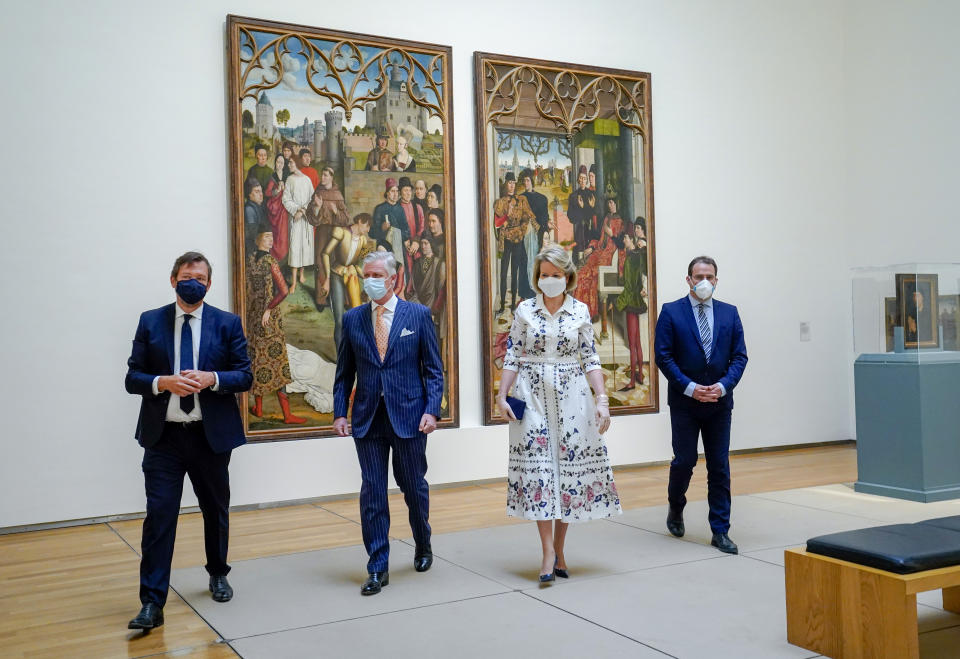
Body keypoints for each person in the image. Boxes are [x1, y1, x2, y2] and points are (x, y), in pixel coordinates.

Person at [124, 252, 252, 630]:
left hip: (209, 437)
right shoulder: (151, 321)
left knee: (215, 509)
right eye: (185, 276)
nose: (191, 281)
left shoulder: (227, 323)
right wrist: (162, 382)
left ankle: (217, 573)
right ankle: (152, 602)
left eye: (198, 277)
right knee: (160, 517)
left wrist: (213, 378)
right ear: (173, 280)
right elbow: (132, 378)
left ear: (208, 284)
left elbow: (244, 375)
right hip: (162, 439)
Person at [497, 245, 620, 583]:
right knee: (539, 471)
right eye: (543, 275)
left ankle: (561, 549)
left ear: (567, 276)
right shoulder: (525, 310)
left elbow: (590, 358)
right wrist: (501, 393)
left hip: (572, 397)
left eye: (555, 275)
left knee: (566, 470)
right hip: (532, 395)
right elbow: (513, 355)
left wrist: (602, 398)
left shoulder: (580, 311)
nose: (548, 280)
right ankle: (547, 551)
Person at [333, 251, 444, 596]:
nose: (370, 279)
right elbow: (344, 374)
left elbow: (433, 370)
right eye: (367, 274)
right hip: (367, 420)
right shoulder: (352, 319)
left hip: (410, 417)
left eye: (377, 274)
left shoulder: (418, 315)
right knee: (372, 492)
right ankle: (378, 566)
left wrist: (432, 410)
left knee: (413, 486)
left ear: (394, 279)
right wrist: (340, 412)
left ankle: (423, 542)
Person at [654, 256, 748, 555]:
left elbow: (740, 357)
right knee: (684, 461)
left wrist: (722, 387)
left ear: (716, 280)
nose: (703, 281)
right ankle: (675, 505)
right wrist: (691, 388)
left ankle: (720, 531)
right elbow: (663, 356)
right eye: (698, 276)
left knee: (719, 466)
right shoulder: (671, 312)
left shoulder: (730, 313)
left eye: (709, 276)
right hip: (685, 402)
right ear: (689, 279)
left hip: (719, 403)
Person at [246, 226, 306, 424]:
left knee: (257, 360)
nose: (270, 241)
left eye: (272, 237)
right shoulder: (270, 261)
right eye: (266, 237)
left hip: (253, 317)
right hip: (267, 318)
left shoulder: (249, 260)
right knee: (277, 363)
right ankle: (287, 415)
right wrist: (269, 309)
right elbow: (284, 291)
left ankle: (260, 408)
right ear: (257, 240)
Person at [321, 213, 377, 348]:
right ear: (359, 221)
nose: (368, 230)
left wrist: (368, 277)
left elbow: (360, 263)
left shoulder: (363, 241)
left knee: (357, 317)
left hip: (352, 276)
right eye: (367, 226)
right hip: (336, 275)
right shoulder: (341, 232)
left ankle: (356, 353)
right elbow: (325, 253)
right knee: (340, 320)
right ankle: (341, 356)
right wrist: (327, 279)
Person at [573, 197, 624, 340]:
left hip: (609, 255)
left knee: (589, 277)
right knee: (580, 274)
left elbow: (621, 243)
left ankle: (590, 314)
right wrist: (591, 246)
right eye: (609, 203)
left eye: (613, 202)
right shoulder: (606, 218)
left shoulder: (621, 221)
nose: (611, 205)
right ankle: (579, 315)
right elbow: (599, 239)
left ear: (617, 204)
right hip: (600, 252)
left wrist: (612, 234)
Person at [307, 166, 350, 309]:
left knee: (336, 262)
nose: (323, 178)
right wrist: (318, 208)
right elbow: (311, 218)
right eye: (322, 175)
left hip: (337, 232)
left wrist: (336, 211)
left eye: (326, 175)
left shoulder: (337, 195)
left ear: (331, 177)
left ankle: (340, 298)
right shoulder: (317, 193)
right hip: (322, 232)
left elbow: (346, 219)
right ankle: (321, 299)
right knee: (320, 262)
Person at [494, 172, 536, 314]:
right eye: (509, 183)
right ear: (505, 184)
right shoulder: (500, 202)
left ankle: (512, 306)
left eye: (513, 183)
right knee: (503, 272)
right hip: (505, 240)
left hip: (518, 239)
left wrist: (522, 231)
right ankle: (501, 306)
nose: (511, 186)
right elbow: (498, 222)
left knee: (515, 271)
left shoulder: (521, 200)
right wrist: (506, 217)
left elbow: (528, 217)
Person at [614, 219, 649, 390]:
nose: (624, 241)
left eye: (626, 238)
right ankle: (640, 374)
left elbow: (629, 286)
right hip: (637, 300)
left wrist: (619, 302)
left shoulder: (632, 257)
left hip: (631, 301)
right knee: (637, 342)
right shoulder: (636, 255)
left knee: (633, 342)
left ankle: (633, 382)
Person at [371, 178, 409, 297]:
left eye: (397, 191)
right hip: (384, 245)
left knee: (401, 269)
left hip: (398, 245)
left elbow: (407, 231)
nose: (395, 194)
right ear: (387, 192)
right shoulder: (380, 209)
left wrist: (396, 234)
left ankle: (398, 293)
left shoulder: (400, 209)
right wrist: (382, 229)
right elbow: (372, 233)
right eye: (392, 191)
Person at [282, 156, 315, 294]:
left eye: (291, 162)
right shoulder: (289, 179)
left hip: (305, 218)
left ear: (296, 163)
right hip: (295, 219)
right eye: (288, 162)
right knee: (295, 247)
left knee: (305, 246)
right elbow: (286, 198)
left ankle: (302, 274)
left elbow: (311, 198)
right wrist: (296, 210)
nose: (289, 164)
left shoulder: (307, 180)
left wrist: (303, 211)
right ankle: (294, 282)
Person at [567, 166, 599, 266]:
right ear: (577, 179)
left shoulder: (591, 194)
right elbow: (570, 215)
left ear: (586, 181)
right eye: (580, 178)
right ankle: (580, 261)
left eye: (584, 178)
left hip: (589, 231)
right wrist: (580, 209)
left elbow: (593, 213)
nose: (582, 180)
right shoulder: (573, 196)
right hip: (578, 231)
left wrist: (589, 207)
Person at [263, 153, 289, 261]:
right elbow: (267, 193)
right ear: (275, 163)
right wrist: (277, 191)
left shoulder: (287, 176)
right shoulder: (272, 177)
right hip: (276, 209)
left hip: (285, 208)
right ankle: (276, 259)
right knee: (277, 234)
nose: (280, 164)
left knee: (284, 235)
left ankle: (284, 258)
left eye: (282, 162)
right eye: (278, 162)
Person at [243, 179, 267, 255]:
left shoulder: (258, 207)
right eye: (257, 192)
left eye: (261, 191)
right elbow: (252, 237)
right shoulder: (249, 210)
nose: (261, 194)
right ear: (249, 194)